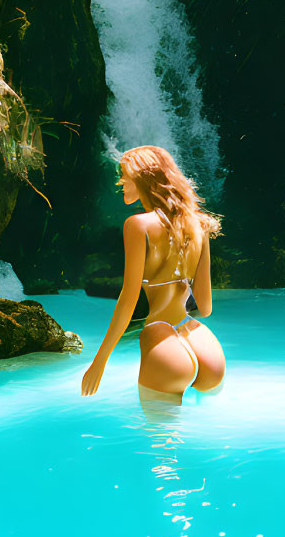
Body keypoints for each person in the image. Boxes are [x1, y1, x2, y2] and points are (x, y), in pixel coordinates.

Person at [80, 145, 226, 402]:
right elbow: (204, 307)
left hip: (163, 344)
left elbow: (128, 299)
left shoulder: (137, 225)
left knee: (160, 441)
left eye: (125, 174)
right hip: (204, 345)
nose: (120, 181)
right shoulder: (198, 224)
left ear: (143, 177)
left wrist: (100, 360)